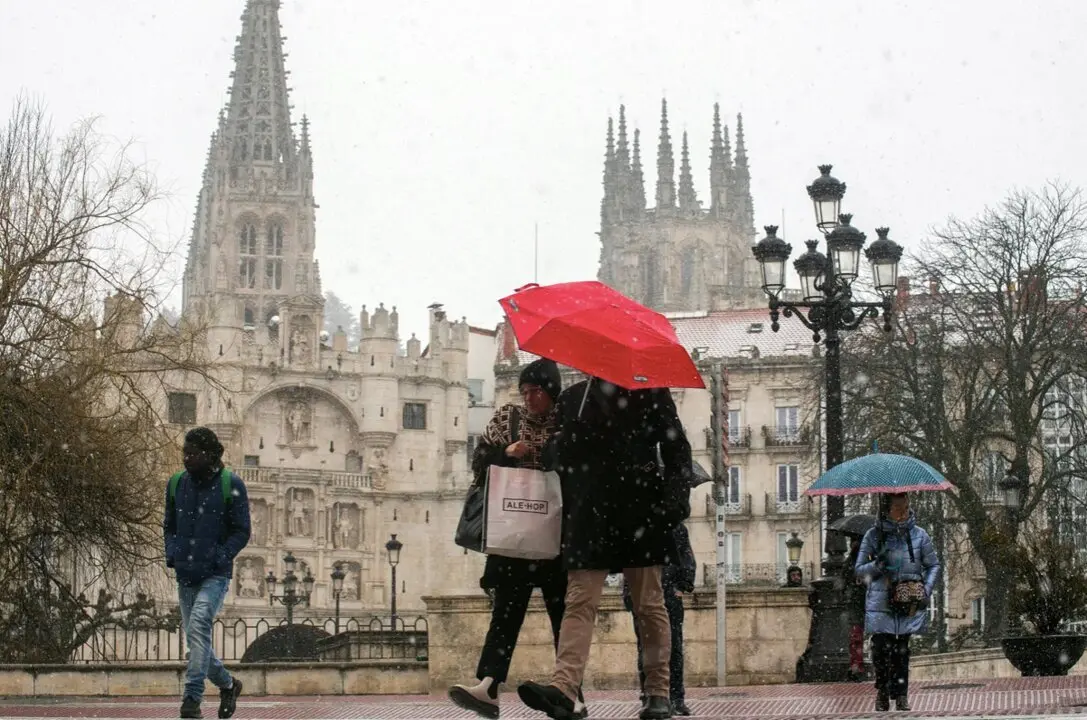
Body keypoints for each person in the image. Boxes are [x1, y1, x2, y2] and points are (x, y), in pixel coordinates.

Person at [518, 378, 693, 720]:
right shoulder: (573, 397)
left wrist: (675, 500)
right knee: (579, 600)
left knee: (648, 603)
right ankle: (565, 688)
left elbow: (677, 447)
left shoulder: (651, 392)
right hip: (590, 513)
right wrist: (562, 441)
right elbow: (552, 460)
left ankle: (658, 692)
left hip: (641, 507)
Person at [448, 359, 580, 719]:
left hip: (556, 535)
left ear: (551, 391)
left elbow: (580, 469)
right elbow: (479, 463)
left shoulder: (569, 421)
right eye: (524, 391)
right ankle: (489, 686)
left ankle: (572, 693)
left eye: (536, 391)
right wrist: (505, 454)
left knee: (563, 617)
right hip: (513, 533)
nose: (529, 398)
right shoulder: (508, 418)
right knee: (505, 613)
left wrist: (556, 454)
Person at [164, 427, 251, 719]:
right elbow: (169, 525)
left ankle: (191, 700)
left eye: (193, 453)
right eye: (185, 453)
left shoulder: (231, 484)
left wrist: (220, 556)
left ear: (210, 454)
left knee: (199, 623)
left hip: (215, 574)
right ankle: (228, 685)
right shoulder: (176, 484)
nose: (187, 458)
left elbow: (242, 531)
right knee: (196, 640)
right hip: (186, 572)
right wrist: (172, 552)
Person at [855, 493, 939, 712]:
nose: (903, 513)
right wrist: (878, 565)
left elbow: (933, 565)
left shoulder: (919, 535)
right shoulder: (873, 536)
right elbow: (859, 570)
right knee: (881, 650)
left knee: (902, 650)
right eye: (898, 508)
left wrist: (926, 589)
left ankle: (901, 695)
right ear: (887, 509)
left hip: (907, 600)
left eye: (906, 507)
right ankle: (882, 691)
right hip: (880, 602)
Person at [622, 522, 696, 716]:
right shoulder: (637, 525)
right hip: (643, 596)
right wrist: (629, 593)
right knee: (645, 647)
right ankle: (649, 695)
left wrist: (682, 586)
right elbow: (629, 564)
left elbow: (686, 557)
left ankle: (676, 698)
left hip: (669, 595)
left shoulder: (676, 527)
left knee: (674, 647)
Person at [845, 536, 869, 681]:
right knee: (857, 636)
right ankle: (857, 665)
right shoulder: (857, 561)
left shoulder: (856, 562)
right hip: (860, 603)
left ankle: (857, 665)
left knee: (857, 636)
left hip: (860, 602)